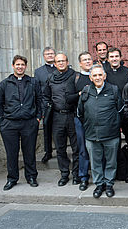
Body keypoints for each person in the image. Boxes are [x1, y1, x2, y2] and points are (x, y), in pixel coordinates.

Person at [0, 55, 42, 190]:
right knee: (11, 153)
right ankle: (12, 178)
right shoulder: (4, 84)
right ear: (13, 66)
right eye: (17, 64)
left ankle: (31, 176)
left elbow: (39, 101)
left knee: (29, 152)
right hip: (9, 124)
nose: (20, 67)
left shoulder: (33, 82)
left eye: (22, 65)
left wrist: (38, 117)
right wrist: (1, 122)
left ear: (25, 66)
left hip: (29, 123)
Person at [78, 64, 124, 198]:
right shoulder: (86, 92)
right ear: (91, 78)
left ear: (104, 76)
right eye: (95, 75)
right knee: (95, 161)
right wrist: (89, 125)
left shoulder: (114, 90)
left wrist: (114, 125)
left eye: (100, 75)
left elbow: (120, 111)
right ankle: (99, 184)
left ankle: (109, 184)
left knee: (111, 161)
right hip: (92, 135)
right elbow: (80, 113)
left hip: (111, 135)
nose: (98, 77)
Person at [43, 52, 79, 186]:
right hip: (57, 116)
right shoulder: (50, 78)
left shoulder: (75, 76)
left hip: (72, 115)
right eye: (58, 61)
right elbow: (45, 96)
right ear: (55, 64)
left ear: (67, 61)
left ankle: (76, 174)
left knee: (76, 147)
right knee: (60, 147)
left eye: (63, 61)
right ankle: (64, 174)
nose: (61, 63)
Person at [74, 51, 93, 191]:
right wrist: (80, 94)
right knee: (83, 149)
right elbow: (68, 97)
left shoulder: (97, 76)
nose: (87, 62)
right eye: (84, 60)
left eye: (89, 59)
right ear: (80, 63)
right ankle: (84, 177)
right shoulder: (76, 78)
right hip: (81, 120)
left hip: (97, 120)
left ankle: (101, 177)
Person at [34, 47, 56, 163]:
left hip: (60, 104)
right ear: (44, 56)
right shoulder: (38, 71)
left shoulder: (61, 67)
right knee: (47, 129)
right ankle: (48, 152)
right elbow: (37, 90)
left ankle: (62, 151)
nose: (50, 55)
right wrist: (40, 109)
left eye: (52, 53)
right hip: (46, 105)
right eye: (47, 54)